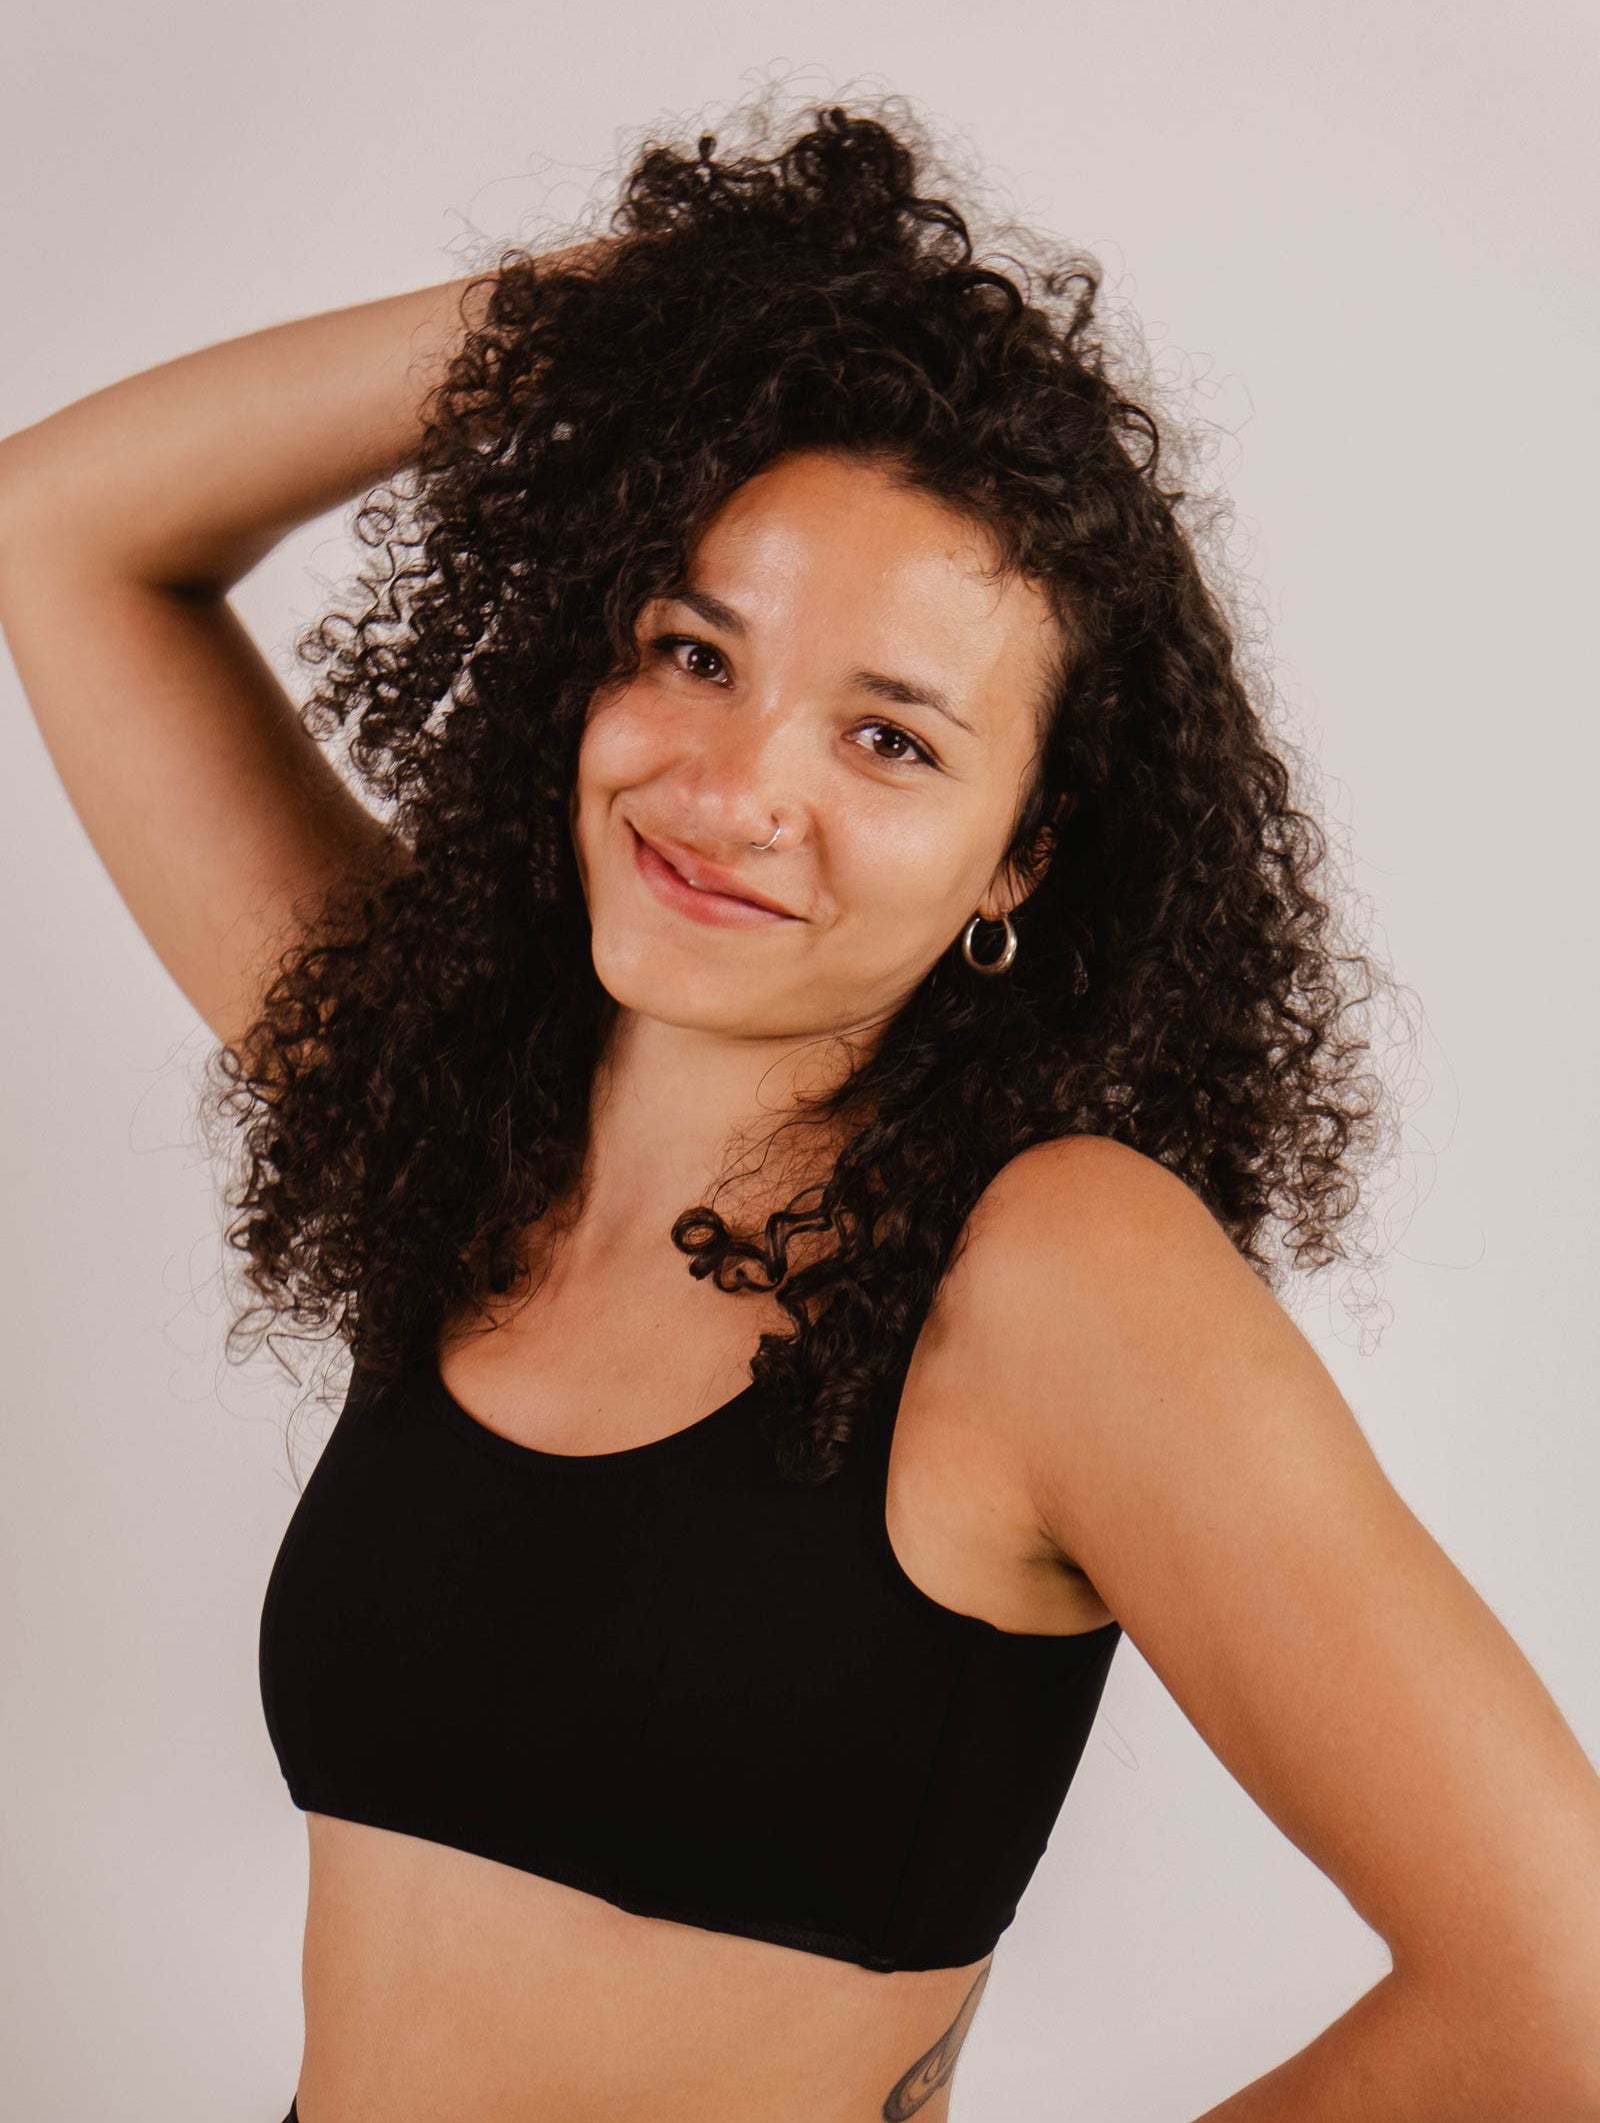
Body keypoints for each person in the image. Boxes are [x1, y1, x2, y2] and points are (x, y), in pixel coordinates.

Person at [3, 90, 1598, 2123]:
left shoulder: (1053, 1271)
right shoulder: (457, 1115)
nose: (735, 789)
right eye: (694, 651)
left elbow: (1560, 1994)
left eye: (890, 738)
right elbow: (58, 526)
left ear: (1020, 859)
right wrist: (672, 312)